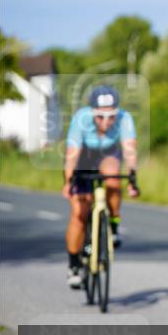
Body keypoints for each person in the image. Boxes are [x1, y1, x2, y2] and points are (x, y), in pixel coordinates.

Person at [62, 85, 140, 288]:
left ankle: (113, 225)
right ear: (92, 113)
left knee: (113, 178)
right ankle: (74, 265)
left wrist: (132, 178)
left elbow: (129, 150)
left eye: (111, 116)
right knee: (79, 213)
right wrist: (68, 181)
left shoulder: (125, 119)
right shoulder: (81, 119)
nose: (106, 122)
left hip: (109, 154)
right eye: (100, 117)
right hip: (84, 156)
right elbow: (72, 154)